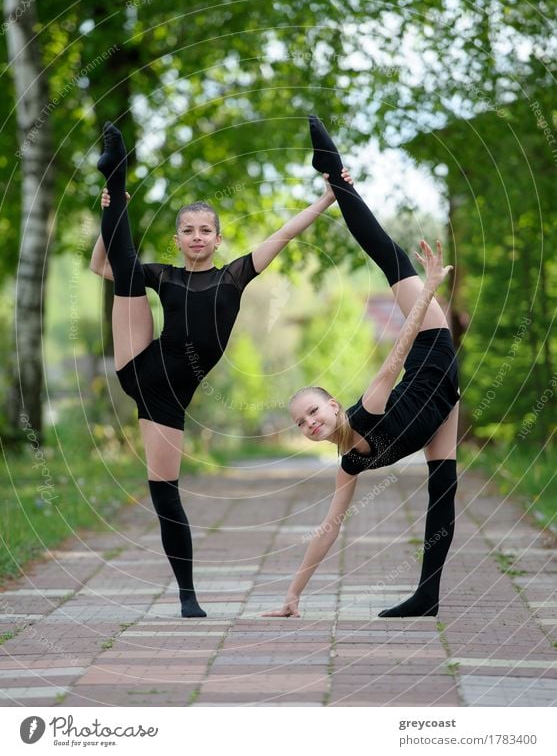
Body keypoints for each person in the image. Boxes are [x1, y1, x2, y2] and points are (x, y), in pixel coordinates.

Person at [90, 121, 336, 617]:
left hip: (165, 399)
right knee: (129, 274)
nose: (196, 236)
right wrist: (107, 214)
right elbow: (104, 267)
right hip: (140, 362)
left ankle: (187, 596)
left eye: (205, 230)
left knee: (165, 492)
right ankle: (115, 178)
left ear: (218, 239)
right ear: (178, 239)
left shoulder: (235, 276)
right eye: (187, 230)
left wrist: (328, 198)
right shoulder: (166, 275)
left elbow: (285, 233)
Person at [265, 116, 460, 619]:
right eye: (302, 423)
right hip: (440, 402)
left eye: (313, 411)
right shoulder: (349, 464)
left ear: (332, 405)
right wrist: (292, 597)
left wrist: (431, 287)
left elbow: (397, 353)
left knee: (386, 254)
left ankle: (335, 175)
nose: (310, 423)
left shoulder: (367, 411)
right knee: (444, 487)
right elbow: (329, 527)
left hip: (429, 348)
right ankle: (429, 596)